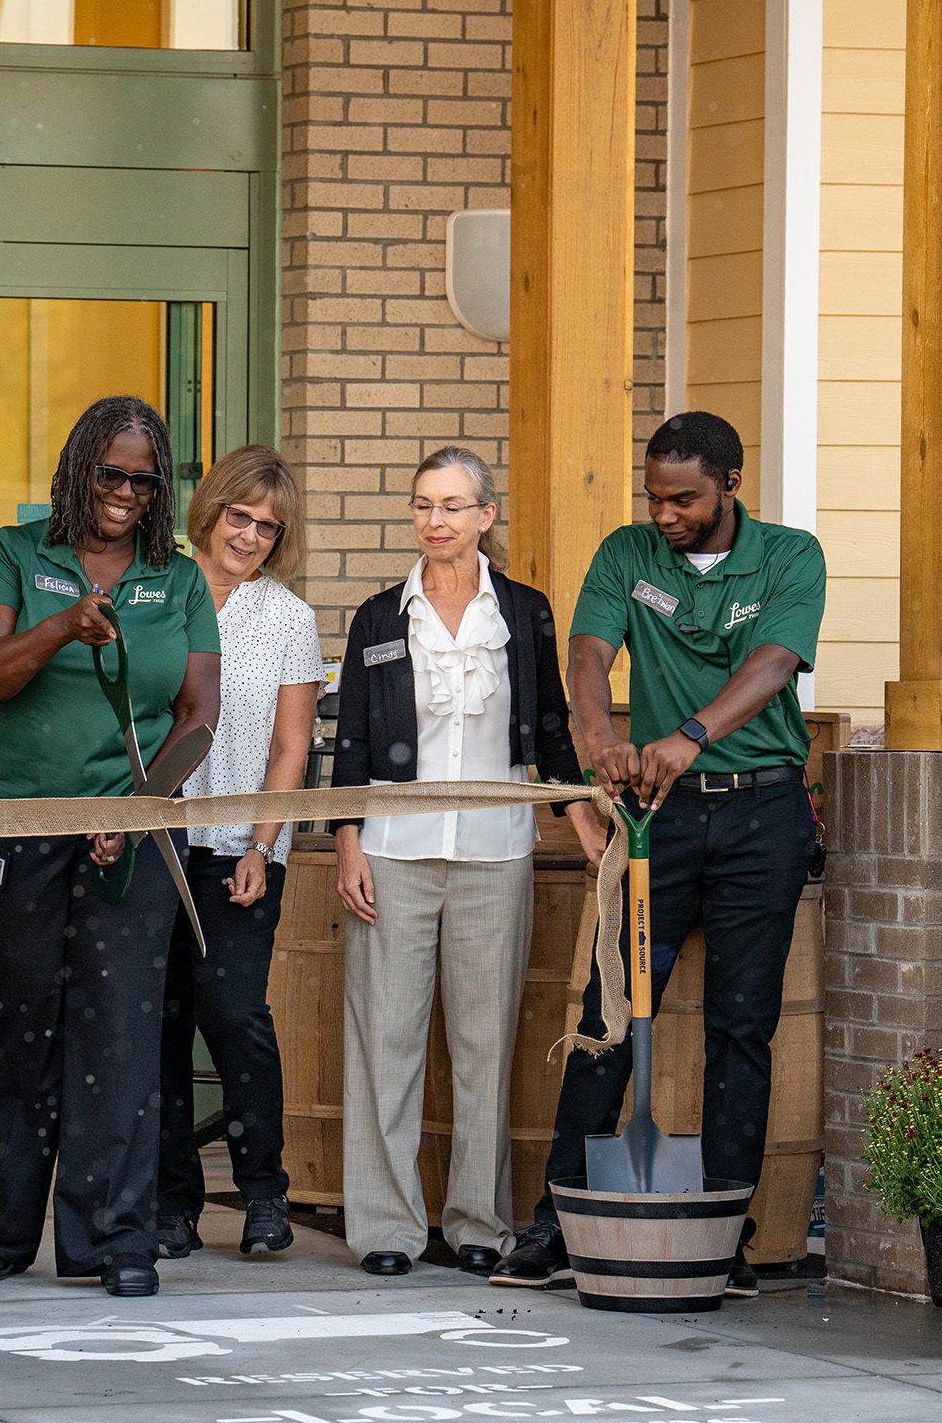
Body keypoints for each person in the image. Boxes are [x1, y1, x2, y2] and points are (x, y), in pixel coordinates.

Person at [490, 411, 825, 1299]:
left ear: (731, 485)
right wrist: (599, 736)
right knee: (612, 1011)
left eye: (685, 499)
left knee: (741, 1027)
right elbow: (591, 653)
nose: (666, 513)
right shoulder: (628, 554)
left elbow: (774, 660)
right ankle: (556, 1225)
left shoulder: (791, 556)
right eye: (655, 496)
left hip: (763, 816)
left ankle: (726, 1229)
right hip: (658, 821)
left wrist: (688, 733)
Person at [0, 395, 220, 1298]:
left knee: (121, 1033)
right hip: (23, 822)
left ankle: (116, 1237)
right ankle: (5, 1229)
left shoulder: (176, 579)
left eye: (146, 481)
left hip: (132, 835)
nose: (128, 493)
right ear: (79, 467)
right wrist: (65, 623)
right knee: (24, 1027)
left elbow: (199, 718)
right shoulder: (15, 553)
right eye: (112, 473)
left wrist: (138, 811)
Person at [331, 446, 604, 1280]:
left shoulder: (523, 612)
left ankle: (478, 1221)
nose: (435, 521)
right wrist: (347, 841)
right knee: (386, 1041)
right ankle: (385, 1228)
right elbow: (349, 744)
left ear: (485, 516)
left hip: (495, 853)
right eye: (423, 505)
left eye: (453, 506)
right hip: (392, 852)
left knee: (485, 1046)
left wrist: (582, 819)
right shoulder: (380, 617)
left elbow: (552, 725)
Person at [155, 445, 322, 1261]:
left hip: (239, 850)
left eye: (268, 526)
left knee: (234, 1014)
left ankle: (263, 1192)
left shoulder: (288, 618)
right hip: (157, 841)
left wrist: (264, 843)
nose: (250, 536)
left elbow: (291, 748)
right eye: (239, 516)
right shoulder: (158, 592)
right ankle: (172, 1205)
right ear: (211, 510)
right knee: (158, 1023)